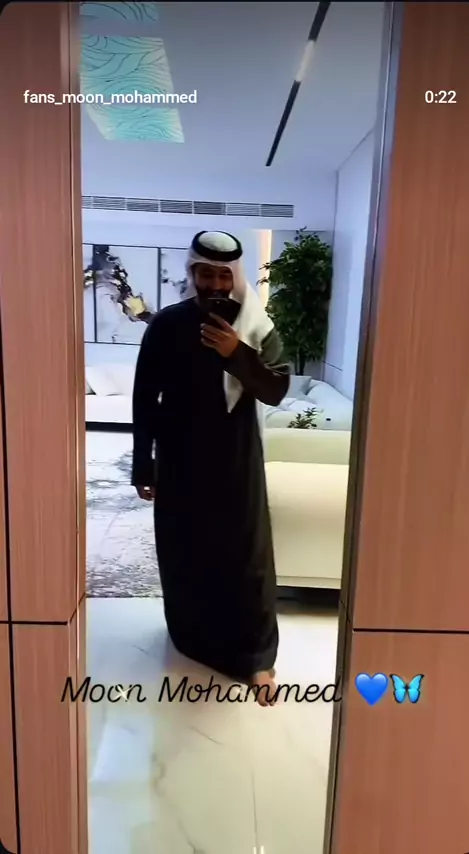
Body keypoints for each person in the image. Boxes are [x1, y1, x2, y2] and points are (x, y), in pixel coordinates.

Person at [131, 230, 290, 706]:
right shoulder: (166, 324)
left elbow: (276, 389)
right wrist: (143, 462)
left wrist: (236, 353)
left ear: (235, 276)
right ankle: (194, 639)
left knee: (246, 554)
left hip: (235, 457)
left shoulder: (256, 326)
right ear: (193, 274)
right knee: (185, 550)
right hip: (180, 457)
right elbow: (145, 397)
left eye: (224, 275)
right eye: (206, 274)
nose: (215, 284)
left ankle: (256, 657)